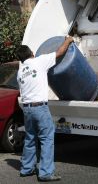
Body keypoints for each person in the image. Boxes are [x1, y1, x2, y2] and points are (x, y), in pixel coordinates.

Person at [17, 36, 74, 182]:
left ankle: (26, 169)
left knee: (30, 138)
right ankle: (45, 173)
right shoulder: (39, 61)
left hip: (27, 109)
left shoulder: (21, 71)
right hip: (40, 108)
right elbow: (59, 53)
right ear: (32, 53)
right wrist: (68, 40)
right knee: (47, 139)